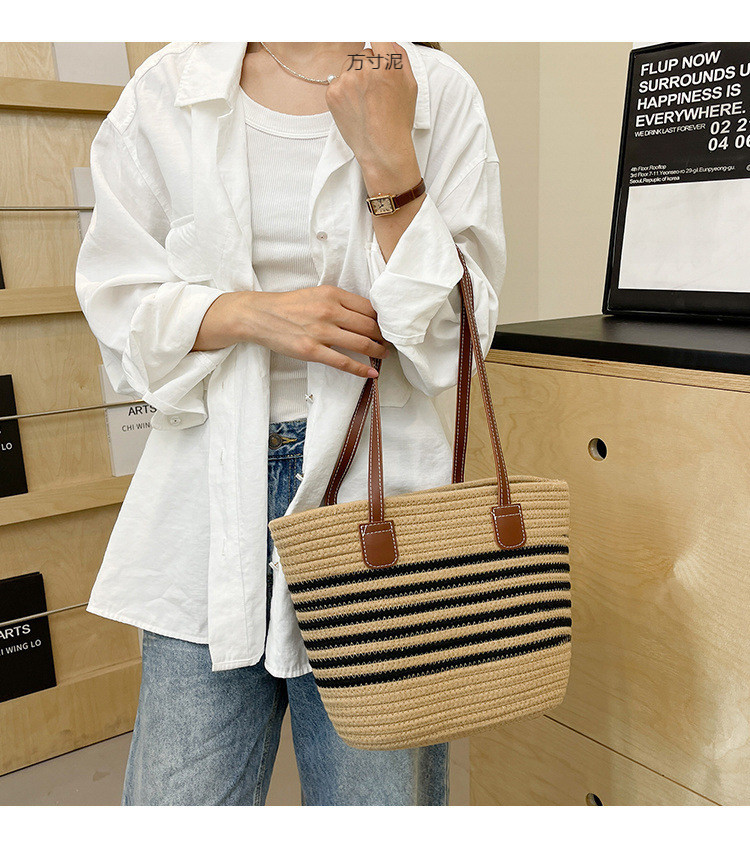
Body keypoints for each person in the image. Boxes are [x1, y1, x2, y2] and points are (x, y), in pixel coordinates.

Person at [75, 40, 506, 806]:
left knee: (376, 812)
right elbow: (119, 306)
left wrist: (391, 165)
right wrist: (250, 313)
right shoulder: (169, 88)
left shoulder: (434, 89)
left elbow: (455, 346)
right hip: (204, 508)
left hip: (381, 510)